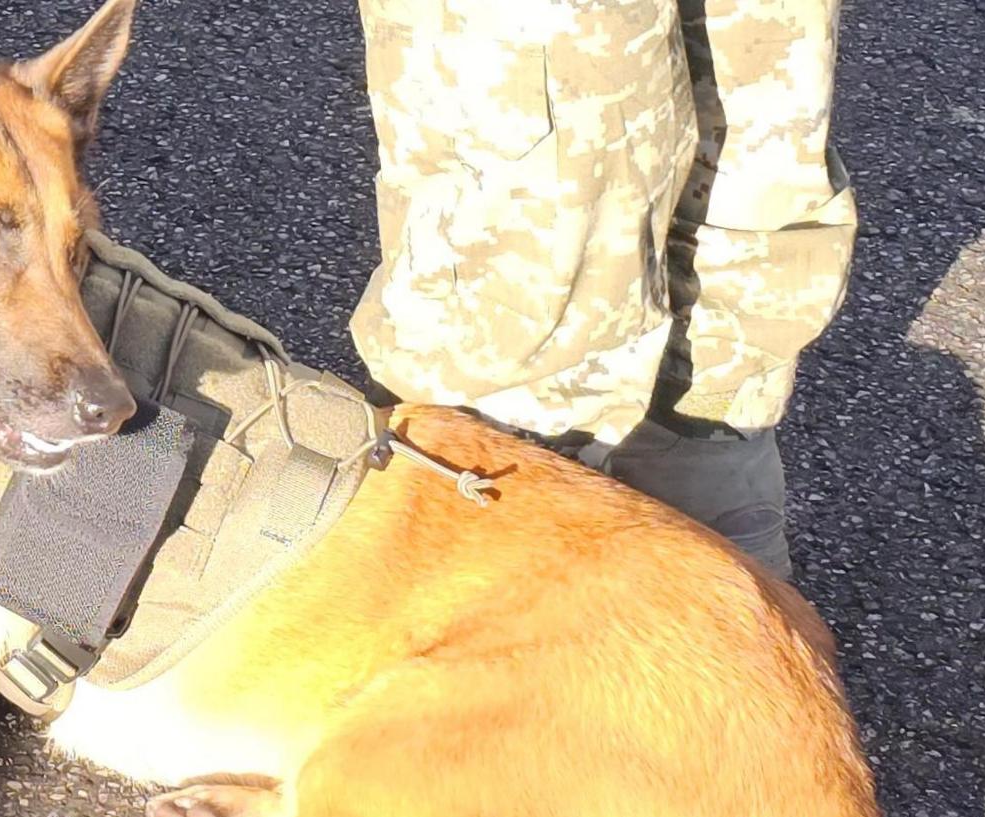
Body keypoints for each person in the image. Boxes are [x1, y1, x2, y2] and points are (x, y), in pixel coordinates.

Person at [349, 0, 854, 577]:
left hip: (494, 474)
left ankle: (508, 465)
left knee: (539, 66)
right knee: (756, 54)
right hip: (718, 420)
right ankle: (707, 441)